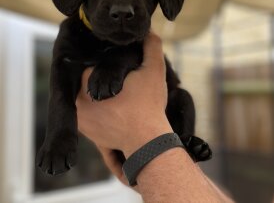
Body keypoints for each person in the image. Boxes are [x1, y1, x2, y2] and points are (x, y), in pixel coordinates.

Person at [76, 32, 234, 203]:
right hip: (140, 149)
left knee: (183, 99)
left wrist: (145, 138)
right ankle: (184, 149)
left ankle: (185, 144)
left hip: (162, 129)